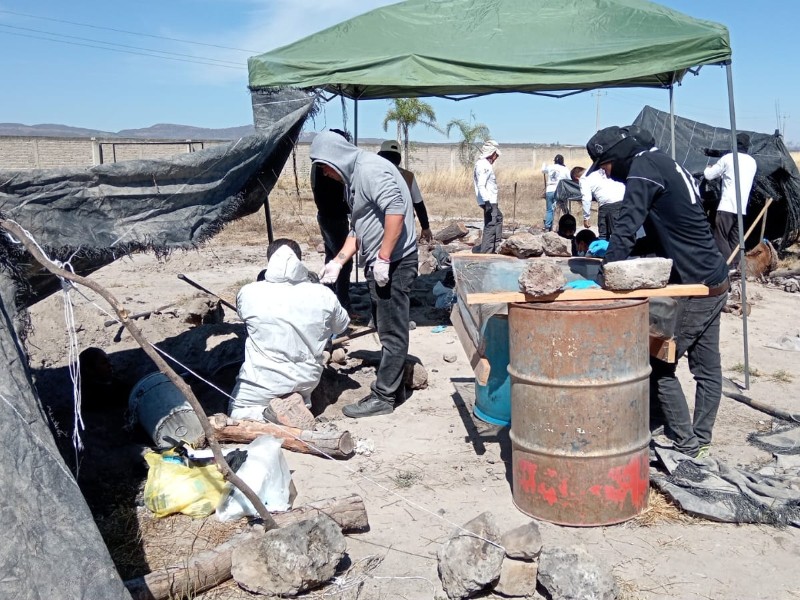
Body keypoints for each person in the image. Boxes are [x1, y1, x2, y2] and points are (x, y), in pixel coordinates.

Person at [586, 125, 729, 459]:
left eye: (605, 167)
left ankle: (686, 446)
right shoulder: (662, 162)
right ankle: (700, 438)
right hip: (714, 276)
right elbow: (663, 229)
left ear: (617, 156)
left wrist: (607, 273)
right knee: (706, 368)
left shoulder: (643, 169)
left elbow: (625, 223)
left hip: (696, 286)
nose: (606, 175)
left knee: (658, 366)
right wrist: (632, 252)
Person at [310, 131, 419, 418]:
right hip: (381, 263)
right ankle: (395, 382)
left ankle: (384, 396)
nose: (323, 172)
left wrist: (383, 258)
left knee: (393, 330)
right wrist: (338, 261)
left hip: (395, 262)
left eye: (323, 165)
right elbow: (360, 227)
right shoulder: (353, 178)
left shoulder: (370, 169)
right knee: (384, 324)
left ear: (335, 157)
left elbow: (395, 211)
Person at [229, 238, 350, 422]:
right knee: (301, 394)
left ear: (269, 261)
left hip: (262, 381)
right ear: (300, 260)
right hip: (307, 380)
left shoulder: (248, 292)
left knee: (237, 412)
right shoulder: (324, 295)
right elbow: (342, 326)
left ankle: (266, 415)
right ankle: (299, 406)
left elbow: (243, 317)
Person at [312, 128, 354, 315]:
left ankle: (328, 299)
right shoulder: (327, 165)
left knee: (332, 258)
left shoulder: (319, 164)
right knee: (344, 261)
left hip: (327, 215)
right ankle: (342, 305)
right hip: (333, 217)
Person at [702, 133, 757, 268]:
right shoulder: (752, 162)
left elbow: (709, 176)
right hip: (741, 208)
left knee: (720, 237)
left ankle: (730, 266)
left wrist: (708, 167)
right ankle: (738, 267)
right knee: (735, 240)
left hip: (727, 206)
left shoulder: (727, 158)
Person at [377, 140, 434, 244]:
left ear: (380, 156)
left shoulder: (374, 175)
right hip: (404, 227)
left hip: (379, 225)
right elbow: (418, 204)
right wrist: (425, 227)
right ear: (399, 158)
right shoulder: (408, 176)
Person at [579, 165, 625, 239]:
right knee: (625, 235)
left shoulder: (585, 177)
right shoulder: (611, 165)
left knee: (604, 237)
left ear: (576, 178)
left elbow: (586, 198)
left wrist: (586, 217)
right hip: (624, 202)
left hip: (606, 206)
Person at [473, 140, 502, 253]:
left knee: (498, 218)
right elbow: (481, 184)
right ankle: (487, 252)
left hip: (490, 200)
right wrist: (487, 202)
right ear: (492, 153)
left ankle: (496, 246)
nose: (496, 157)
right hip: (489, 201)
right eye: (496, 155)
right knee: (491, 225)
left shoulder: (483, 164)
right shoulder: (484, 165)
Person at [541, 154, 570, 231]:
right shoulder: (565, 169)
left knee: (549, 210)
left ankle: (547, 227)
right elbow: (570, 179)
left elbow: (543, 170)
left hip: (549, 190)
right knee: (558, 210)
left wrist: (544, 163)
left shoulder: (550, 167)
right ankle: (558, 227)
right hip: (559, 191)